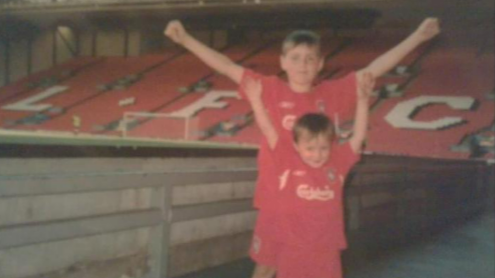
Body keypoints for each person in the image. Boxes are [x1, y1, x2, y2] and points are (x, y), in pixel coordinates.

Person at [164, 18, 440, 278]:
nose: (302, 65)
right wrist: (186, 39)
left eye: (310, 59)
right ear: (283, 62)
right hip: (276, 202)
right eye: (295, 58)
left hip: (316, 211)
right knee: (265, 268)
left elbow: (374, 70)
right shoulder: (269, 89)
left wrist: (418, 36)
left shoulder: (332, 94)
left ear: (320, 64)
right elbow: (226, 66)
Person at [242, 71, 374, 278]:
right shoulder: (287, 159)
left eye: (323, 148)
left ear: (332, 145)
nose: (317, 154)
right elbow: (268, 129)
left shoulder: (337, 163)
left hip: (327, 249)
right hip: (293, 247)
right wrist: (255, 101)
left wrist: (363, 100)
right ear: (296, 145)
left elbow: (358, 136)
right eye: (310, 148)